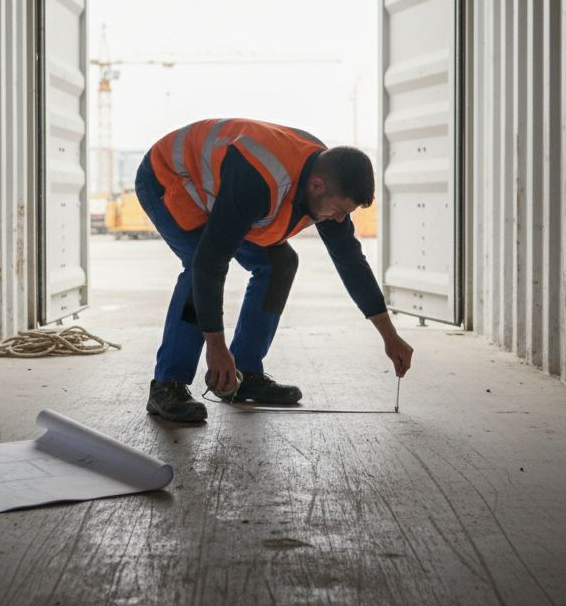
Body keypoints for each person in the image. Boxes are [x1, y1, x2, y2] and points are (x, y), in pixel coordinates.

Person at [134, 117, 415, 423]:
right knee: (197, 266)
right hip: (171, 178)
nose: (338, 219)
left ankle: (245, 373)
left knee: (280, 263)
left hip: (221, 193)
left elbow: (351, 261)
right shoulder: (259, 179)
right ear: (317, 185)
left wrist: (390, 336)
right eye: (339, 211)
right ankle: (168, 385)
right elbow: (208, 265)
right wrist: (216, 348)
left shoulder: (327, 181)